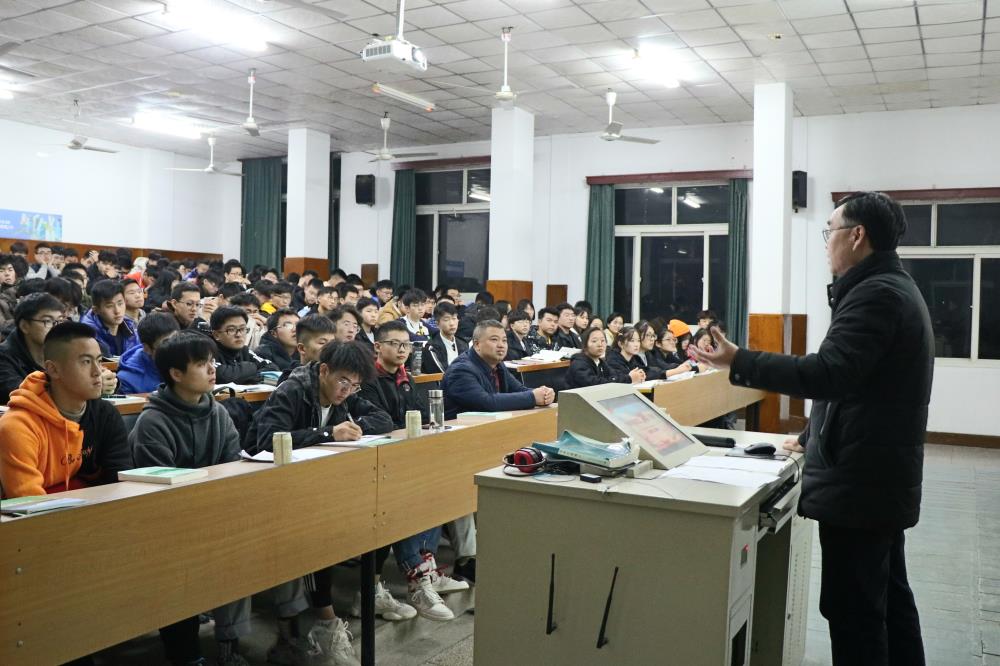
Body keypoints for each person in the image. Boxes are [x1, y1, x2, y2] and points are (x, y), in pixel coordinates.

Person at [693, 191, 932, 666]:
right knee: (888, 601)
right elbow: (856, 381)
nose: (826, 243)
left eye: (831, 232)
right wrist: (810, 436)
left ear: (857, 236)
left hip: (861, 483)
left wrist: (740, 360)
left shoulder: (877, 294)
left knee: (856, 613)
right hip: (877, 475)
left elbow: (829, 374)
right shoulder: (889, 286)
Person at [130, 331, 313, 666]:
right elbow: (159, 493)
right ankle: (229, 646)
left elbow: (232, 466)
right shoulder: (152, 422)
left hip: (220, 510)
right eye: (202, 364)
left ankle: (289, 635)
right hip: (174, 524)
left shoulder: (217, 412)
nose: (212, 369)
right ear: (176, 374)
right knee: (230, 549)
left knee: (284, 537)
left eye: (212, 361)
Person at [243, 341, 395, 661]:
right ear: (324, 370)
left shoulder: (345, 393)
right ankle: (326, 623)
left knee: (382, 512)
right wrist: (327, 433)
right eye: (343, 382)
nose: (347, 391)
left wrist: (355, 428)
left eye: (355, 386)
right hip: (274, 488)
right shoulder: (293, 390)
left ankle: (366, 594)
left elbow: (383, 419)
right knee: (319, 533)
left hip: (318, 484)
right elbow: (266, 440)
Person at [360, 321, 477, 595]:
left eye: (407, 345)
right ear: (377, 347)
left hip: (408, 455)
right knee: (411, 497)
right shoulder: (368, 381)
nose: (403, 350)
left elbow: (422, 415)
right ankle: (418, 573)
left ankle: (428, 567)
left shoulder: (406, 379)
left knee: (441, 488)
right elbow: (380, 422)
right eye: (395, 344)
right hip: (379, 460)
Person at [0, 322, 132, 497]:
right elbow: (28, 502)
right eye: (86, 362)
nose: (97, 372)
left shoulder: (106, 414)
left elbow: (120, 483)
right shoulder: (17, 427)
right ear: (53, 369)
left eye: (99, 361)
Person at [442, 319, 554, 420]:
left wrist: (544, 394)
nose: (501, 345)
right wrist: (533, 397)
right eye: (494, 340)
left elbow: (519, 389)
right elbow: (487, 402)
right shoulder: (460, 370)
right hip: (460, 431)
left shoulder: (498, 365)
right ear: (477, 344)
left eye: (504, 340)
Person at [0, 294, 67, 403]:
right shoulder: (4, 357)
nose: (56, 328)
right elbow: (22, 394)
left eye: (59, 321)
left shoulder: (64, 350)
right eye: (47, 321)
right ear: (24, 326)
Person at [210, 306, 277, 384]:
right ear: (216, 335)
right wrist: (251, 366)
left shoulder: (244, 351)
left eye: (242, 329)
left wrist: (249, 377)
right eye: (231, 330)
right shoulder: (208, 351)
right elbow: (221, 375)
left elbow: (272, 367)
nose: (238, 334)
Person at [117, 313, 181, 394]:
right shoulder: (127, 380)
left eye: (176, 340)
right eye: (166, 343)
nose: (174, 348)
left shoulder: (187, 361)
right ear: (147, 348)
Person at [566, 326, 644, 388]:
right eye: (594, 341)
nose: (600, 344)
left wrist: (633, 375)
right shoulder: (578, 363)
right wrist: (629, 378)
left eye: (603, 341)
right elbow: (596, 384)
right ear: (585, 345)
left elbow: (615, 374)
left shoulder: (600, 362)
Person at [81, 279, 140, 358]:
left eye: (120, 303)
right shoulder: (87, 335)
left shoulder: (130, 328)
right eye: (109, 306)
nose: (117, 311)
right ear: (96, 310)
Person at [422, 301, 468, 374]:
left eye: (454, 318)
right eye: (446, 320)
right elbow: (441, 374)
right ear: (437, 324)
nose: (452, 323)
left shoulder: (463, 344)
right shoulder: (431, 348)